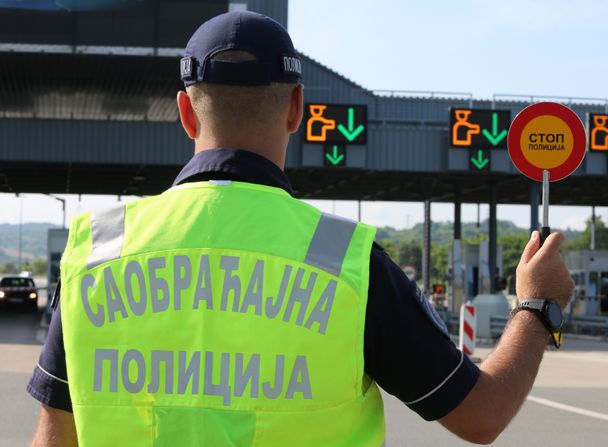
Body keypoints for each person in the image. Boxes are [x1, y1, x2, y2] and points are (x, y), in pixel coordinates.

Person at [27, 11, 574, 447]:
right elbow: (482, 416)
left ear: (186, 114)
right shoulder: (346, 259)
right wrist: (536, 307)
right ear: (296, 108)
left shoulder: (97, 250)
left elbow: (54, 439)